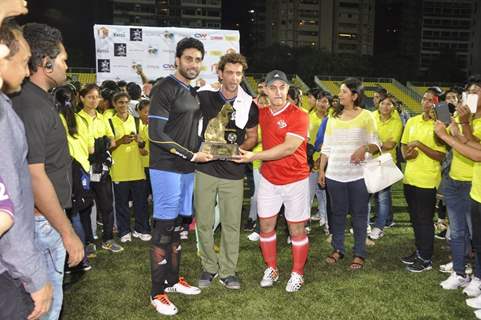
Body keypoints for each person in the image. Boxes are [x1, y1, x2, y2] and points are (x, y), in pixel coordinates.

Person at [11, 22, 84, 320]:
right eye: (64, 59)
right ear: (46, 63)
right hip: (42, 223)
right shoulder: (31, 105)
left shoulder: (35, 100)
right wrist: (67, 232)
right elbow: (34, 174)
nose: (67, 65)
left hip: (42, 219)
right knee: (45, 309)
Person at [147, 37, 212, 315]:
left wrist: (203, 149)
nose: (193, 64)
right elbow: (155, 134)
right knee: (163, 229)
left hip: (187, 168)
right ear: (177, 60)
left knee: (177, 227)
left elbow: (192, 131)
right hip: (166, 167)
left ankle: (172, 280)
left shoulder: (192, 91)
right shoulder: (164, 88)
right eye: (188, 58)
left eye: (197, 59)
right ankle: (156, 292)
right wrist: (190, 154)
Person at [234, 70, 310, 292]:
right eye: (273, 87)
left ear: (288, 89)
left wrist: (254, 156)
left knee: (296, 229)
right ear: (265, 89)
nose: (278, 91)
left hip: (295, 179)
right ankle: (272, 268)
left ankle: (297, 272)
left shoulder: (299, 115)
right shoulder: (262, 113)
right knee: (266, 225)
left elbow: (288, 148)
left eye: (282, 87)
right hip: (269, 179)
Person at [0, 19, 53, 320]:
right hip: (7, 273)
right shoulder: (4, 115)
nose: (25, 70)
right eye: (21, 62)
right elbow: (11, 200)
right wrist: (34, 276)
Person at [195, 52, 258, 290]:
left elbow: (252, 137)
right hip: (205, 169)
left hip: (233, 173)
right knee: (204, 221)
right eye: (229, 72)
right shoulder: (203, 97)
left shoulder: (249, 104)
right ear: (220, 73)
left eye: (238, 73)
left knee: (231, 224)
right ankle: (209, 267)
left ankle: (228, 271)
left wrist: (238, 151)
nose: (234, 78)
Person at [433, 76, 481, 320]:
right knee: (459, 231)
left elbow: (476, 154)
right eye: (468, 93)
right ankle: (460, 271)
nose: (470, 98)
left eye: (476, 93)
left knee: (475, 236)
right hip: (460, 183)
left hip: (472, 183)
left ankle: (477, 278)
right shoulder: (465, 118)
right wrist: (455, 126)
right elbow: (463, 142)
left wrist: (450, 134)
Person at [319, 78, 379, 270]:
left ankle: (359, 253)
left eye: (344, 91)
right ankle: (338, 248)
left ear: (355, 96)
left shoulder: (367, 116)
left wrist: (364, 148)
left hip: (358, 176)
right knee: (337, 214)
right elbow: (326, 146)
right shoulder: (332, 118)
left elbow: (376, 145)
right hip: (334, 175)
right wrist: (322, 169)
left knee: (359, 215)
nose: (339, 94)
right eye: (340, 91)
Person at [400, 89, 446, 273]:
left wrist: (420, 145)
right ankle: (419, 251)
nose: (426, 103)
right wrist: (408, 154)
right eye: (425, 99)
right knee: (415, 219)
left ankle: (426, 259)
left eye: (431, 100)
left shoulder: (440, 124)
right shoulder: (412, 121)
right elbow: (404, 148)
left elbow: (441, 155)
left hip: (427, 180)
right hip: (410, 178)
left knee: (425, 220)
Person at [77, 84, 123, 254]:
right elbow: (88, 149)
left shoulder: (103, 117)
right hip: (83, 168)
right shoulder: (77, 118)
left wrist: (101, 143)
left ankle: (108, 239)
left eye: (97, 97)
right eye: (90, 97)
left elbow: (111, 141)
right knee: (85, 207)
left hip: (101, 169)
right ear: (81, 98)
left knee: (107, 206)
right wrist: (100, 144)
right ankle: (88, 241)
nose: (94, 100)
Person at [108, 92, 150, 243]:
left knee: (141, 202)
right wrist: (120, 141)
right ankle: (124, 230)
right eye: (120, 102)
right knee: (122, 204)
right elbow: (108, 147)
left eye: (126, 102)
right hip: (119, 170)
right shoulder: (109, 122)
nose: (123, 105)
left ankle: (141, 229)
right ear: (114, 104)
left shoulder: (137, 122)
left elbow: (144, 149)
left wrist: (139, 142)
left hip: (137, 169)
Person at [368, 94, 403, 240]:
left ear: (393, 106)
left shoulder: (397, 121)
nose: (385, 106)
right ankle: (369, 223)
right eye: (383, 103)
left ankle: (379, 227)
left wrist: (375, 143)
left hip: (386, 162)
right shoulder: (371, 116)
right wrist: (380, 143)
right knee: (368, 195)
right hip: (369, 160)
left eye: (389, 104)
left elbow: (391, 144)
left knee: (382, 197)